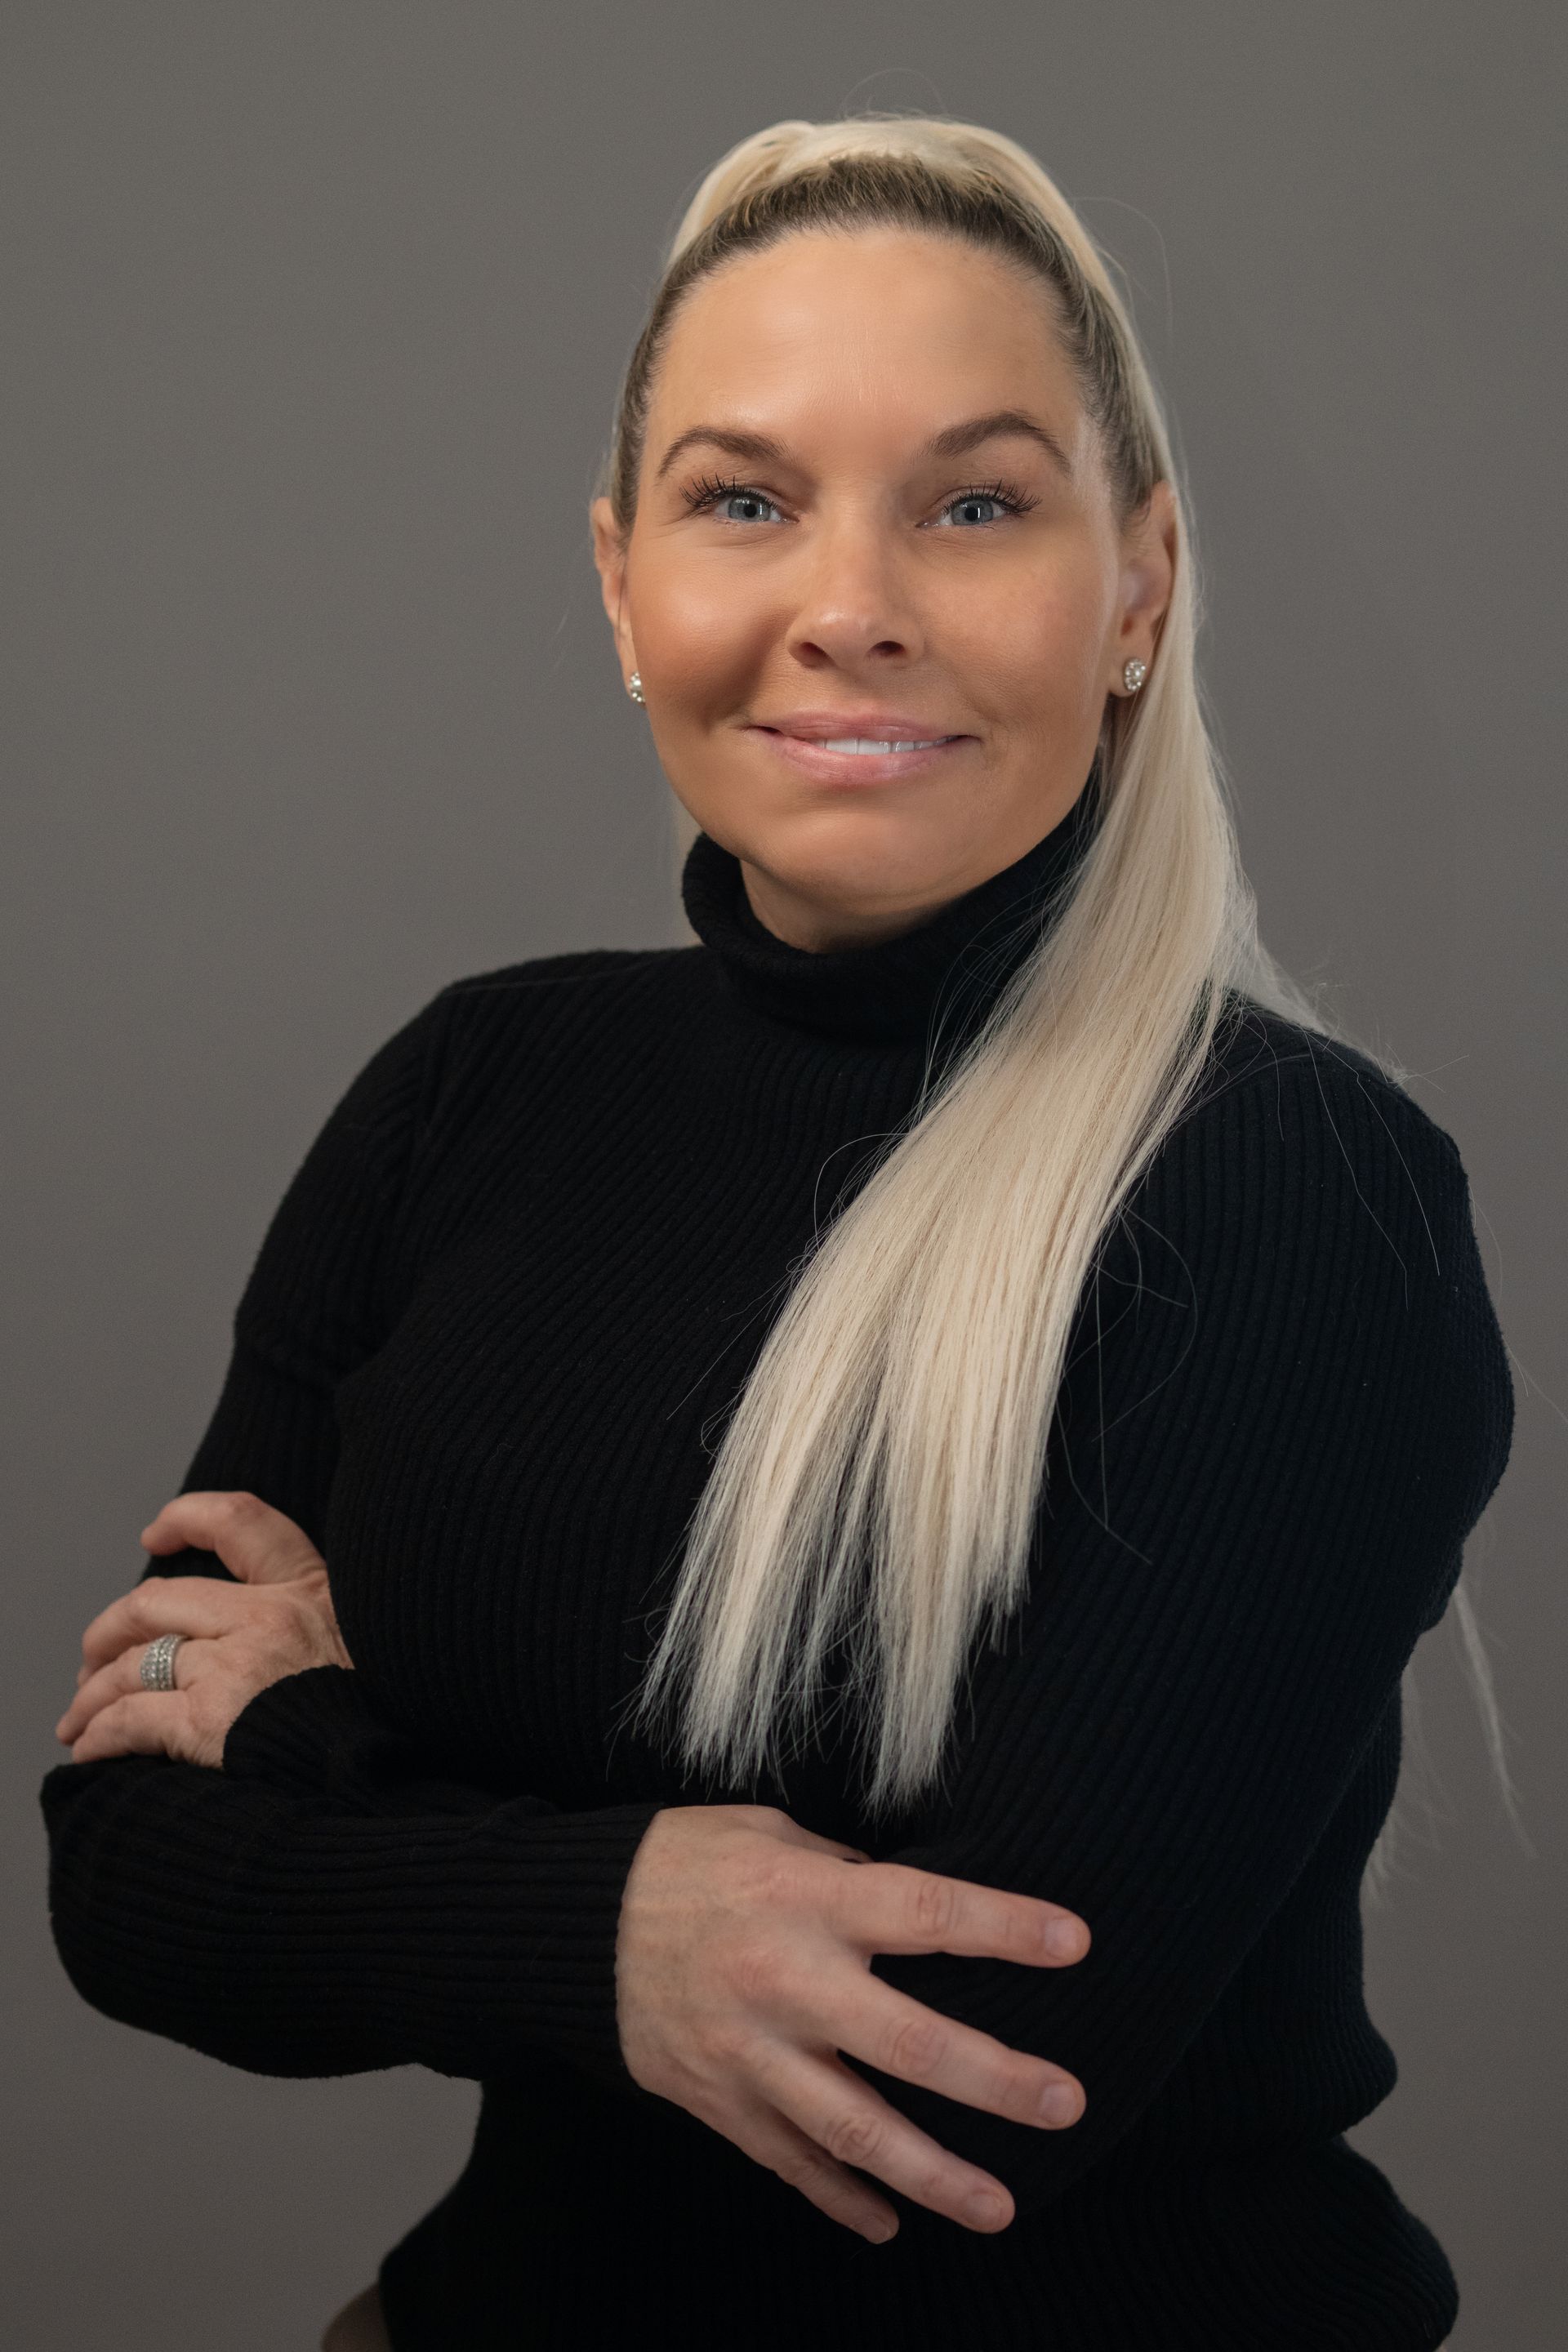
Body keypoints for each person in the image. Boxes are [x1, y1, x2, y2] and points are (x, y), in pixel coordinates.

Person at [41, 115, 1503, 2352]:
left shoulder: (1299, 1195)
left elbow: (969, 2093)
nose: (853, 602)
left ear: (1140, 589)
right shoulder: (472, 1089)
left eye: (980, 502)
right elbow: (127, 1879)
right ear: (627, 587)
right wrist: (624, 1925)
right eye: (748, 501)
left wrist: (335, 1774)